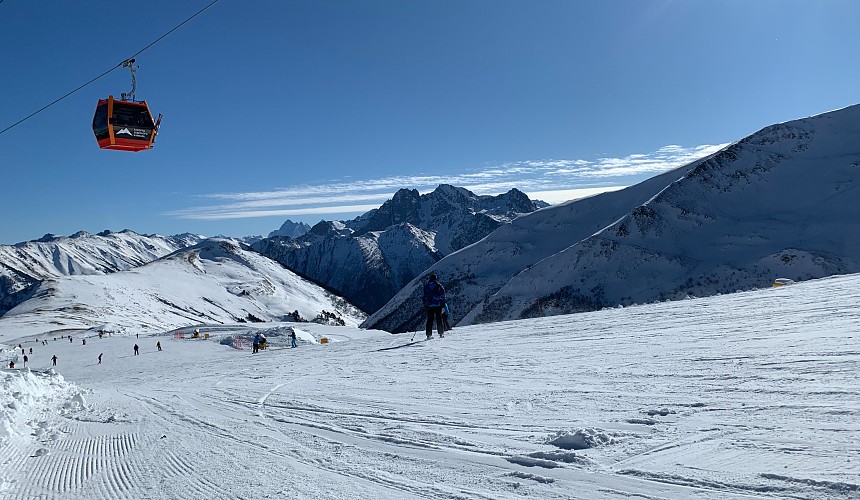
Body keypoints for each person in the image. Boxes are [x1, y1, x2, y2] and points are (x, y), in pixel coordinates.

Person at [423, 273, 446, 339]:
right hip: (437, 304)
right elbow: (443, 295)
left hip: (429, 305)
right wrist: (443, 303)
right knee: (439, 318)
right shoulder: (439, 286)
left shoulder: (426, 286)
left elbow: (423, 296)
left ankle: (428, 335)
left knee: (430, 319)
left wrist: (425, 304)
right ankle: (441, 333)